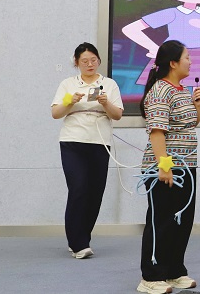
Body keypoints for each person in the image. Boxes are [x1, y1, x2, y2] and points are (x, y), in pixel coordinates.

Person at [137, 40, 200, 294]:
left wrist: (198, 107)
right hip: (165, 168)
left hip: (187, 167)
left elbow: (189, 124)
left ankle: (174, 271)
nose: (190, 61)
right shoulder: (160, 91)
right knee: (161, 221)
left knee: (182, 221)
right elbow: (157, 131)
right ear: (173, 63)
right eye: (187, 57)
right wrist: (164, 166)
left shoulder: (182, 90)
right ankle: (150, 277)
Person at [51, 42, 124, 259]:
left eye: (93, 60)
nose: (90, 64)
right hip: (72, 141)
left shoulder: (109, 84)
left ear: (99, 60)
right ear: (76, 62)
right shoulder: (68, 84)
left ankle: (82, 236)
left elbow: (117, 115)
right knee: (78, 188)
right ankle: (78, 243)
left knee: (95, 192)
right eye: (84, 61)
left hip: (99, 141)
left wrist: (105, 103)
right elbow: (56, 113)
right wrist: (70, 102)